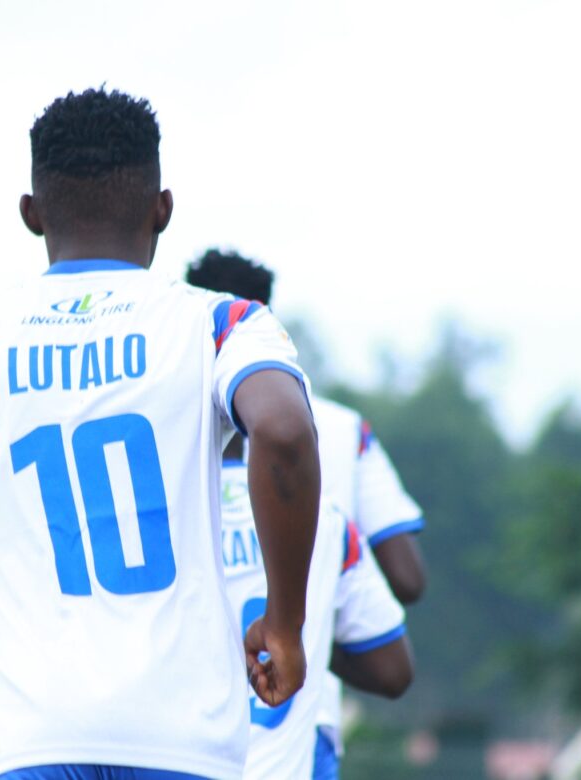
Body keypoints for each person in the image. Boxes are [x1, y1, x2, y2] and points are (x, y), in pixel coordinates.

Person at [0, 88, 321, 780]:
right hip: (181, 742)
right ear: (162, 208)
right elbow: (284, 431)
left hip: (20, 749)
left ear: (31, 214)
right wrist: (285, 623)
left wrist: (1, 516)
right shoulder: (222, 325)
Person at [185, 249, 426, 779]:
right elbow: (408, 582)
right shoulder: (339, 432)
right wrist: (303, 619)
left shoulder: (158, 470)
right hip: (299, 718)